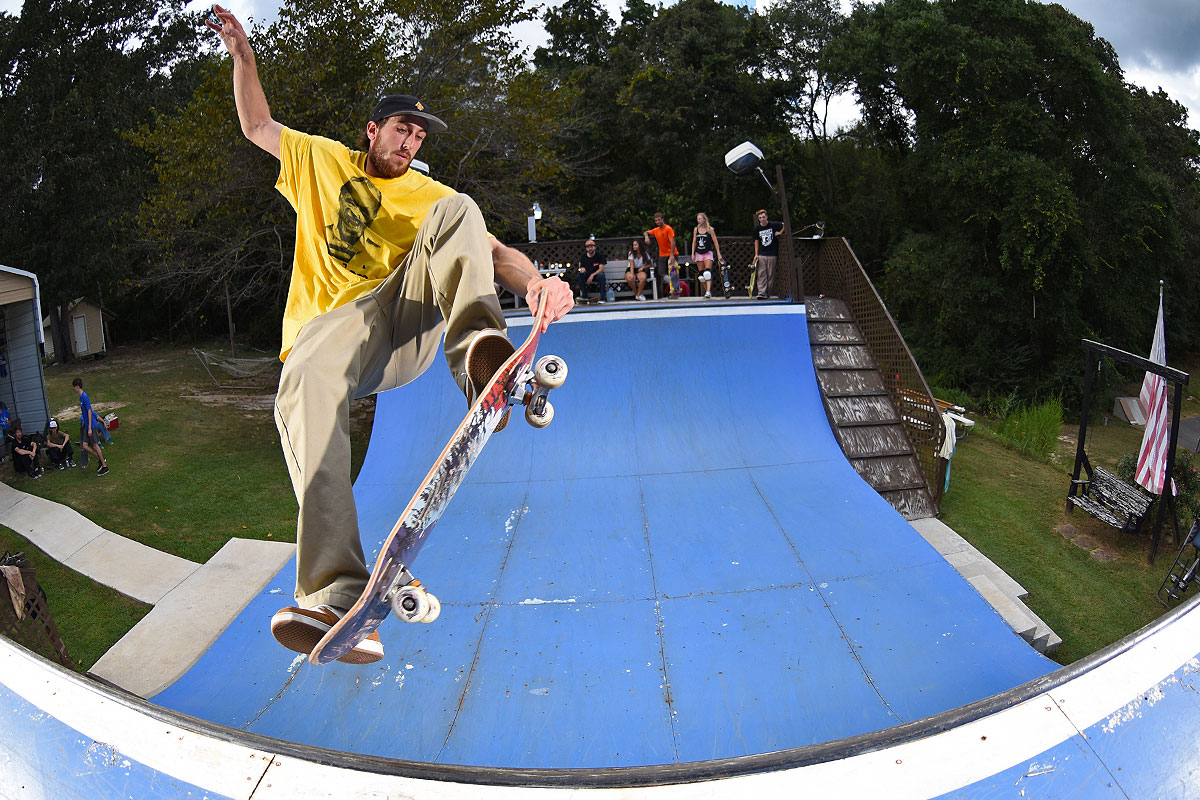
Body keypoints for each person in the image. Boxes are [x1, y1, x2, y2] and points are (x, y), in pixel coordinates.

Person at [208, 6, 574, 665]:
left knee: (458, 208)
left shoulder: (426, 192)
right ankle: (337, 595)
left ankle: (482, 359)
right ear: (371, 130)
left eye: (418, 137)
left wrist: (536, 284)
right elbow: (257, 124)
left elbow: (490, 250)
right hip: (324, 344)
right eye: (401, 130)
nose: (410, 144)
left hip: (399, 328)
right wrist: (244, 57)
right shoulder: (320, 161)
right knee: (305, 381)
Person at [72, 378, 109, 476]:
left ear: (77, 386)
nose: (74, 389)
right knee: (85, 446)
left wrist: (89, 428)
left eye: (74, 387)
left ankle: (105, 467)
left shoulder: (84, 397)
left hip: (91, 426)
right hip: (86, 424)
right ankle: (100, 459)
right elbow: (85, 412)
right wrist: (84, 422)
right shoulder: (81, 398)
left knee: (95, 445)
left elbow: (89, 411)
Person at [644, 213, 679, 298]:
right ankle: (674, 285)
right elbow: (646, 232)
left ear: (662, 219)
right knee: (661, 272)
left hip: (671, 254)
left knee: (673, 272)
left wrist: (671, 255)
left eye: (659, 220)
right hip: (662, 254)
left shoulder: (668, 229)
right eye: (656, 220)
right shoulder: (656, 230)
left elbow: (672, 242)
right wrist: (646, 237)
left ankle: (674, 292)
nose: (658, 222)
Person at [752, 209, 785, 299]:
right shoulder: (757, 229)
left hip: (772, 253)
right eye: (760, 218)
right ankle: (761, 292)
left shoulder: (773, 225)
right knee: (761, 273)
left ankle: (768, 292)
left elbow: (784, 224)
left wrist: (780, 232)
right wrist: (756, 254)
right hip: (762, 253)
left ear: (766, 217)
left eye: (763, 217)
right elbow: (756, 241)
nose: (762, 219)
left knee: (771, 274)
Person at [691, 213, 724, 299]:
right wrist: (693, 253)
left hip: (707, 252)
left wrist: (718, 253)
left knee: (707, 273)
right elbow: (694, 241)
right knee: (701, 276)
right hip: (699, 252)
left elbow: (715, 241)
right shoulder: (696, 229)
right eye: (698, 219)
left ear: (704, 219)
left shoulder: (710, 229)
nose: (699, 221)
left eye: (700, 219)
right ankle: (707, 291)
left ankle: (708, 290)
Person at [573, 238, 607, 303]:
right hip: (587, 274)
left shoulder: (600, 256)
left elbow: (601, 269)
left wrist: (592, 275)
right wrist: (582, 269)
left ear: (595, 247)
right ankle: (584, 296)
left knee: (601, 276)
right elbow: (582, 267)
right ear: (586, 248)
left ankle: (603, 298)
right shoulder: (583, 257)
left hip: (596, 274)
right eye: (588, 247)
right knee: (579, 275)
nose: (590, 249)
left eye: (591, 247)